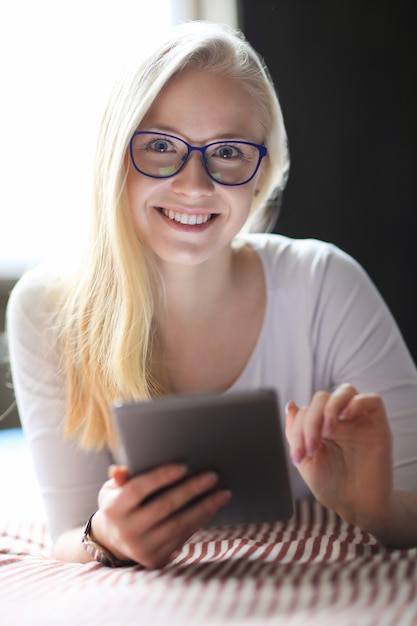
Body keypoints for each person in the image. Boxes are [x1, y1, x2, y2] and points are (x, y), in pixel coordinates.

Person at [6, 20, 417, 570]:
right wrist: (105, 538)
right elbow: (70, 531)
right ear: (113, 160)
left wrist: (378, 509)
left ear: (260, 173)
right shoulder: (47, 310)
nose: (196, 185)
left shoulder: (325, 284)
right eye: (158, 146)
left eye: (227, 152)